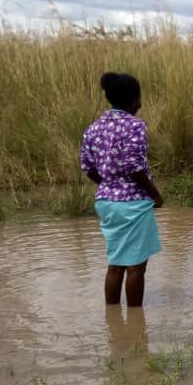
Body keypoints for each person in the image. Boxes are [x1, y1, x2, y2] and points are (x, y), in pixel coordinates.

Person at [81, 72, 164, 308]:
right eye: (139, 99)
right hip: (133, 203)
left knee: (115, 263)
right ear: (132, 100)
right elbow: (135, 167)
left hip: (106, 202)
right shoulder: (135, 126)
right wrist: (155, 194)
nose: (141, 104)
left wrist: (109, 185)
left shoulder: (93, 128)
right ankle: (136, 324)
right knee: (136, 266)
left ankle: (113, 318)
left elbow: (87, 167)